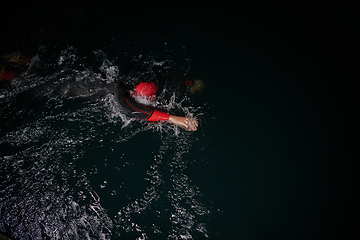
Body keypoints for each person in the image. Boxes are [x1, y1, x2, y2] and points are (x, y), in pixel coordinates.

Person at [116, 81, 198, 131]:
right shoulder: (120, 92)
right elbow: (130, 107)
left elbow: (168, 75)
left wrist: (190, 83)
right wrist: (171, 118)